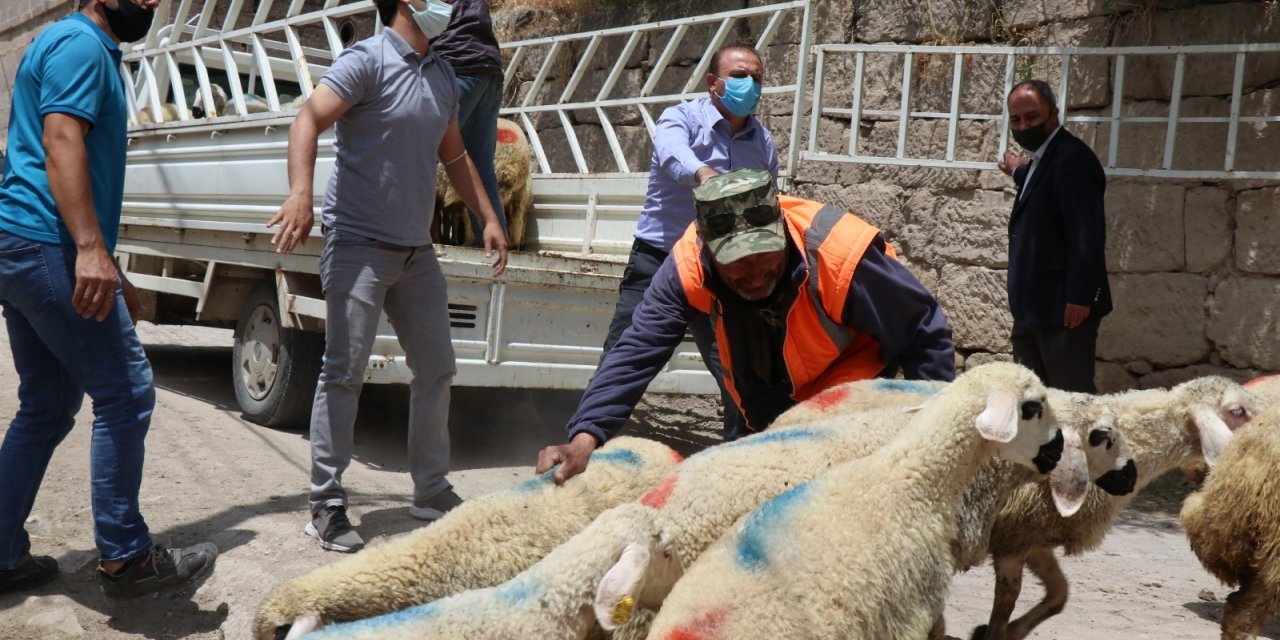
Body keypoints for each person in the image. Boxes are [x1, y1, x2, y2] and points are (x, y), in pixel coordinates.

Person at [270, 0, 509, 552]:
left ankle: (430, 489)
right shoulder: (367, 61)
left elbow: (454, 158)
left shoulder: (444, 74)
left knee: (437, 367)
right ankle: (326, 502)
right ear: (407, 3)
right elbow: (308, 118)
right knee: (345, 373)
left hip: (415, 253)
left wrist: (488, 217)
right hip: (357, 245)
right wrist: (300, 194)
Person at [536, 169, 955, 483]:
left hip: (852, 400)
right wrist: (585, 434)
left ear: (782, 234)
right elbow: (636, 351)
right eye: (735, 263)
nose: (753, 275)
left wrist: (930, 445)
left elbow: (924, 333)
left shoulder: (840, 255)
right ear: (707, 250)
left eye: (763, 257)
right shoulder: (687, 267)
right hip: (771, 397)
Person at [0, 0, 218, 598]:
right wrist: (90, 251)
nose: (150, 1)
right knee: (125, 392)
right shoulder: (82, 46)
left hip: (26, 244)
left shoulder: (67, 42)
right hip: (48, 245)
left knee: (46, 405)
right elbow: (62, 138)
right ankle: (125, 557)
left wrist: (108, 265)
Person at [599, 44, 779, 440]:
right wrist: (702, 173)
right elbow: (670, 154)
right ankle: (590, 444)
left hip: (718, 268)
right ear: (714, 82)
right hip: (658, 259)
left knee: (736, 367)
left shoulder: (762, 143)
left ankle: (741, 452)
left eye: (757, 78)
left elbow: (771, 202)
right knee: (623, 359)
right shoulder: (680, 118)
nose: (749, 84)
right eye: (739, 76)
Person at [997, 79, 1111, 393]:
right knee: (1035, 401)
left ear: (1054, 114)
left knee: (1070, 399)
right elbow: (1045, 191)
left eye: (1032, 117)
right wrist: (1018, 172)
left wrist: (1080, 296)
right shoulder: (1041, 159)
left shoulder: (1073, 159)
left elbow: (1086, 233)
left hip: (1063, 310)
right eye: (1016, 120)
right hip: (1032, 308)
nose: (1024, 126)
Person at [431, 0, 509, 244]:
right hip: (489, 70)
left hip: (456, 66)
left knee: (423, 155)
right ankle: (496, 247)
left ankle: (412, 239)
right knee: (481, 165)